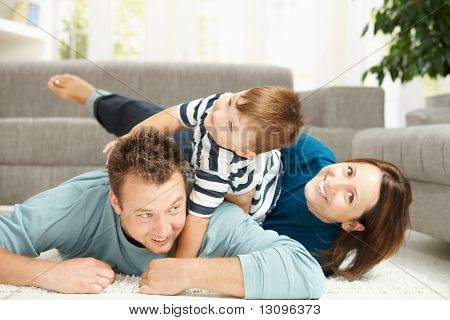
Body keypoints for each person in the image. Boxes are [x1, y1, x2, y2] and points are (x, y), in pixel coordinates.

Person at [47, 75, 412, 278]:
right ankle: (96, 98)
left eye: (348, 196)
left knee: (176, 205)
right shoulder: (314, 156)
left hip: (236, 199)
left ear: (352, 225)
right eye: (348, 171)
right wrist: (134, 138)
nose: (333, 181)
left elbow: (241, 251)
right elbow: (257, 129)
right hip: (232, 160)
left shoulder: (316, 246)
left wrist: (181, 268)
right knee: (158, 121)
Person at [0, 126, 324, 299]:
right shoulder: (77, 204)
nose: (163, 230)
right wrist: (48, 274)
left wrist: (190, 272)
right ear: (116, 203)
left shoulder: (211, 219)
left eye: (173, 208)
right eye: (144, 214)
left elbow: (305, 272)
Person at [102, 86, 302, 259]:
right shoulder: (221, 105)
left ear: (243, 151)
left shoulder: (219, 170)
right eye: (231, 102)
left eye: (231, 126)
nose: (217, 115)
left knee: (224, 222)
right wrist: (128, 138)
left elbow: (198, 219)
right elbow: (174, 116)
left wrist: (179, 265)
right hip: (215, 149)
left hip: (255, 196)